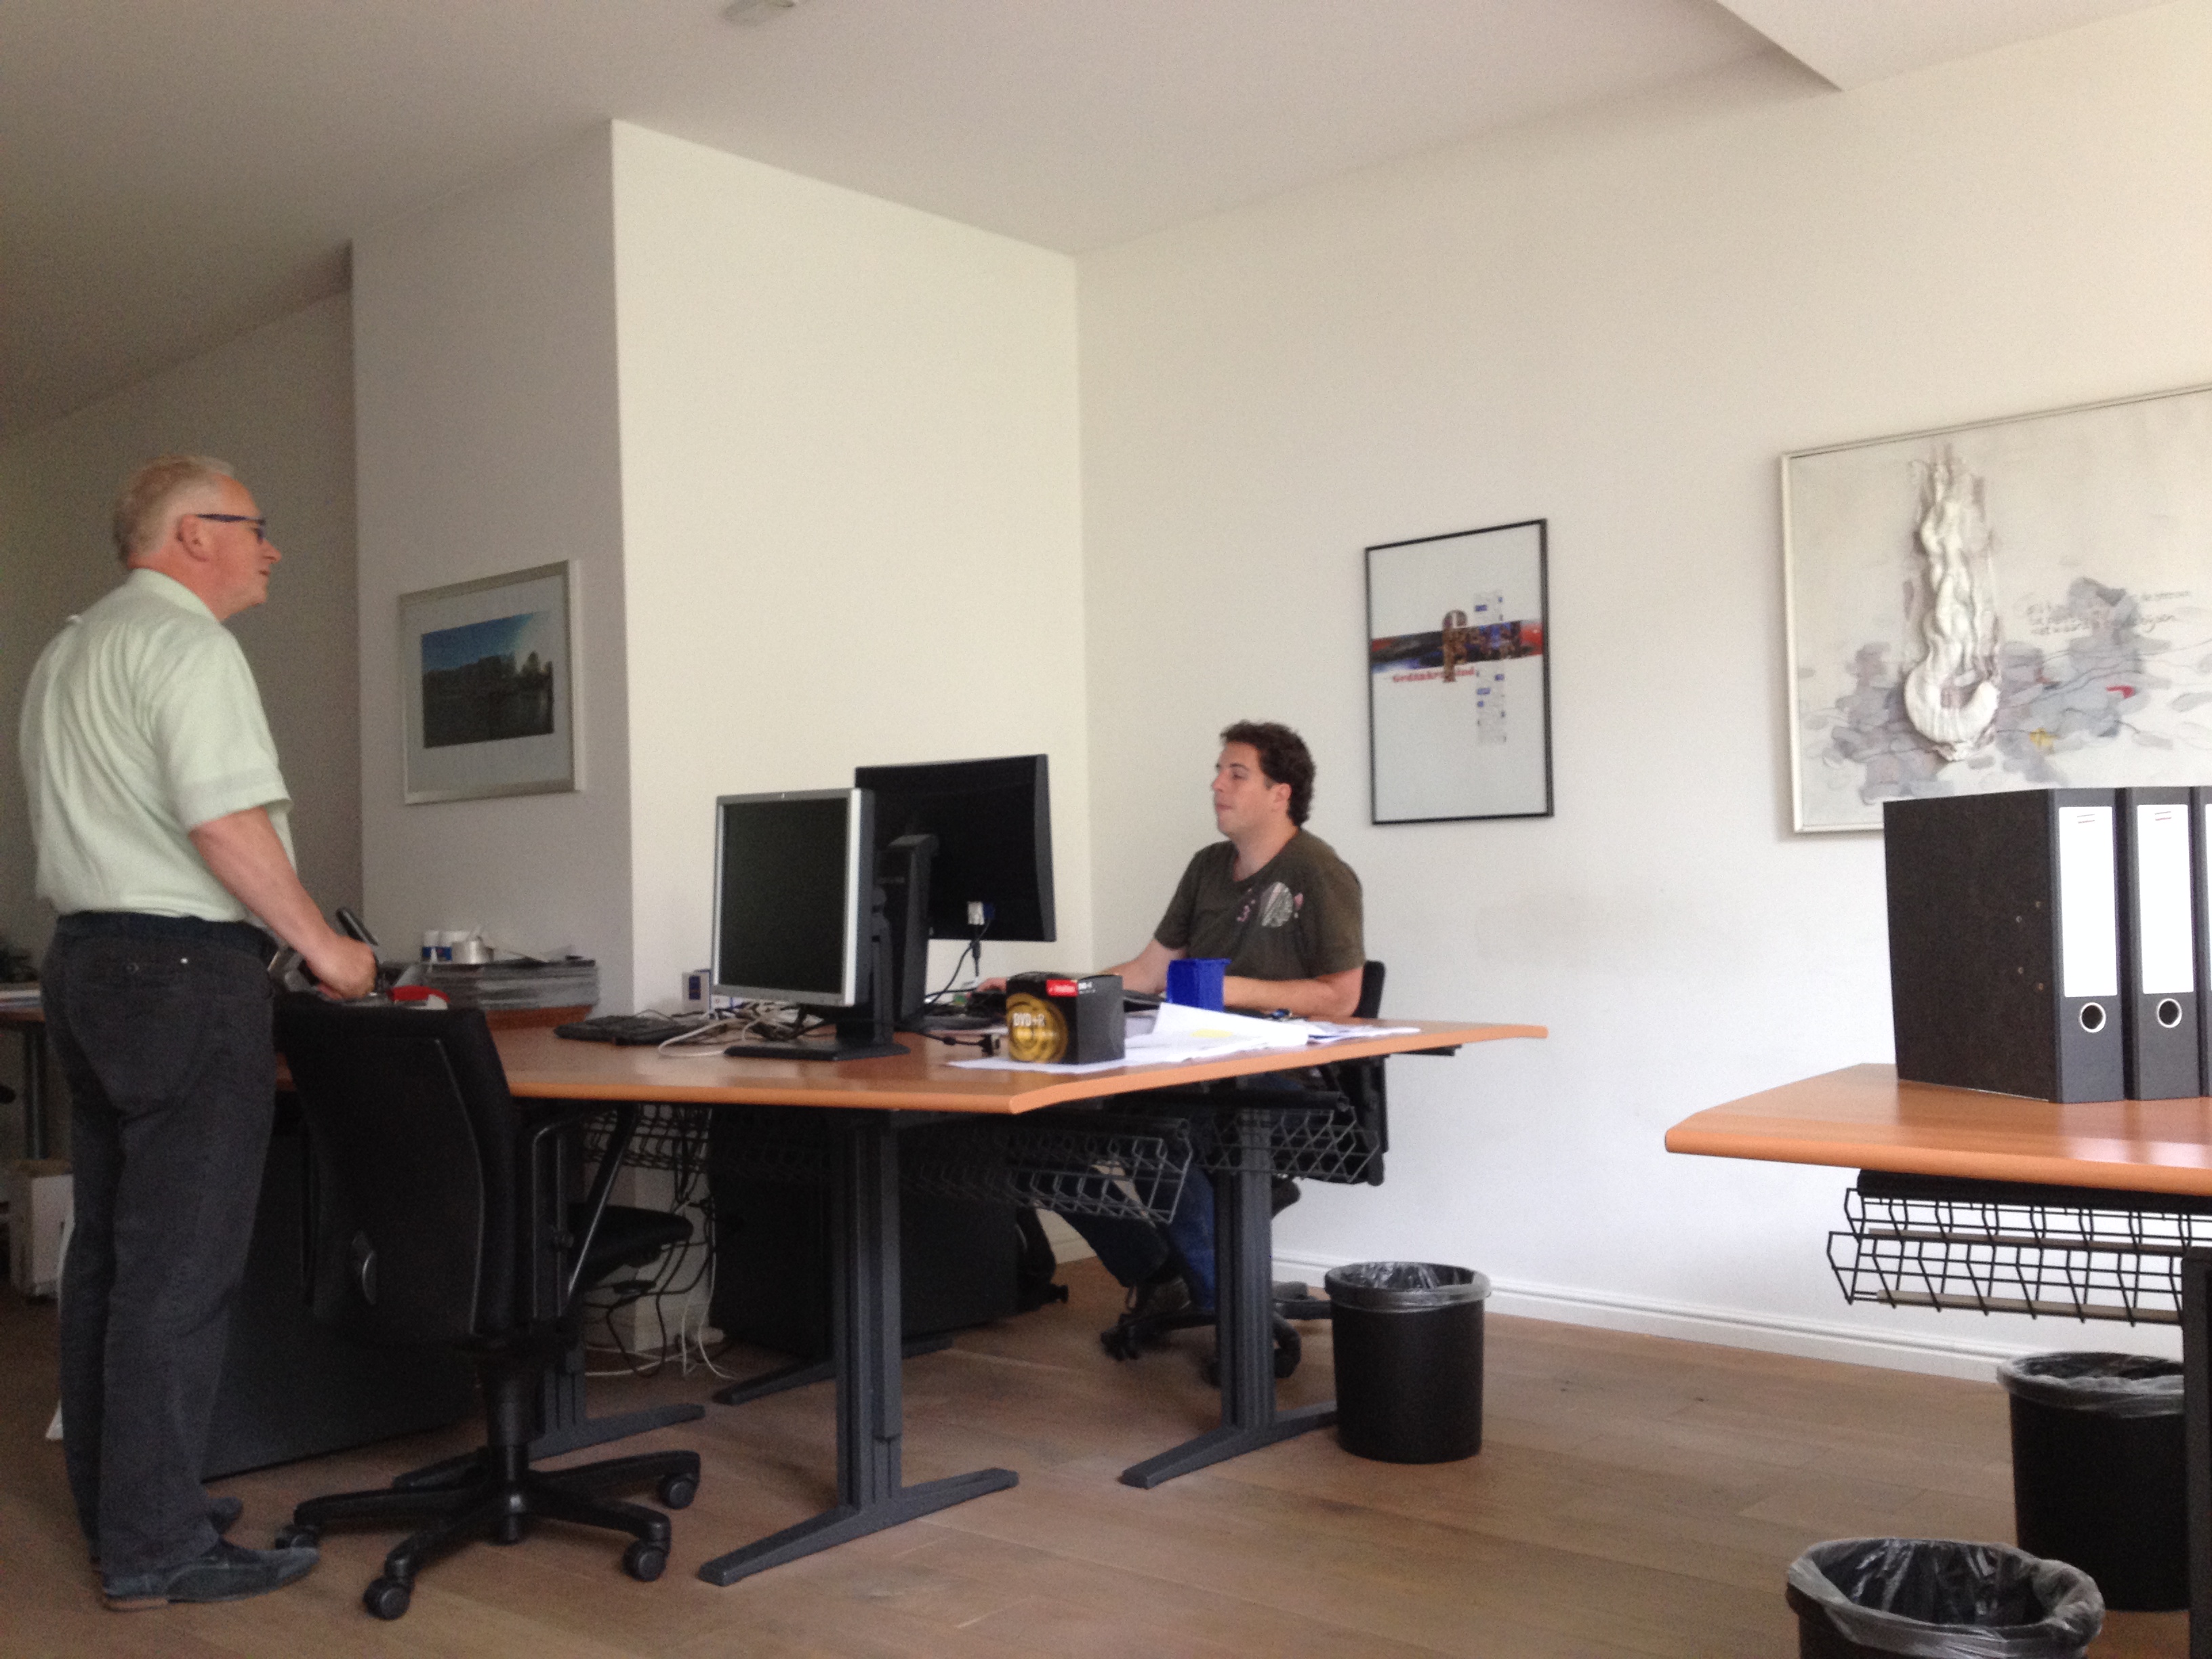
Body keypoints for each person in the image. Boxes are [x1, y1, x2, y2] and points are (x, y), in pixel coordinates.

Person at [20, 455, 378, 1610]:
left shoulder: (72, 649)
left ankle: (128, 1503)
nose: (272, 548)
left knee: (111, 1258)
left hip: (87, 964)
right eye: (254, 526)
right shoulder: (189, 645)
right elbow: (222, 822)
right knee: (179, 1269)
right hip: (181, 973)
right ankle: (158, 1544)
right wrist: (325, 950)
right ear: (191, 535)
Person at [1061, 720, 1365, 1321]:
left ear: (1280, 793)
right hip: (1192, 1068)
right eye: (1219, 771)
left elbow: (1341, 997)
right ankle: (1157, 1269)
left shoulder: (1318, 871)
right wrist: (1056, 993)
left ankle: (1231, 1312)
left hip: (1283, 1085)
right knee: (1055, 1128)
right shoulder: (1206, 867)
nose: (1217, 784)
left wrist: (1229, 989)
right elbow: (1149, 971)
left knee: (1153, 1127)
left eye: (1237, 774)